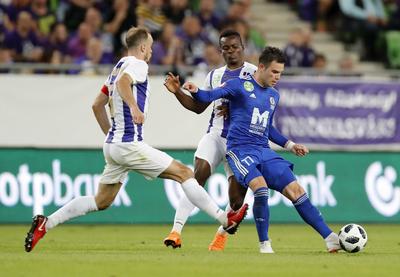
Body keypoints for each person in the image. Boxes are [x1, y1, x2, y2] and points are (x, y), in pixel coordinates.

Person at [24, 27, 248, 253]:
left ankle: (47, 223)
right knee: (185, 173)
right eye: (150, 47)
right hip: (129, 143)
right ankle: (225, 219)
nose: (151, 51)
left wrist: (111, 137)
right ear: (142, 47)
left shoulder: (117, 66)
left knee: (101, 200)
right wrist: (133, 107)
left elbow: (96, 104)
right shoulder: (137, 65)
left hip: (113, 145)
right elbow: (124, 83)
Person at [165, 46, 341, 253]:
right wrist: (194, 91)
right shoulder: (238, 86)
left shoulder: (274, 96)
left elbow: (267, 128)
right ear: (261, 67)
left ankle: (330, 238)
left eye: (280, 73)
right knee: (260, 188)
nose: (277, 77)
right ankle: (264, 245)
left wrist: (290, 145)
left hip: (263, 150)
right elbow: (210, 96)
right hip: (240, 150)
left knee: (297, 191)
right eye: (274, 72)